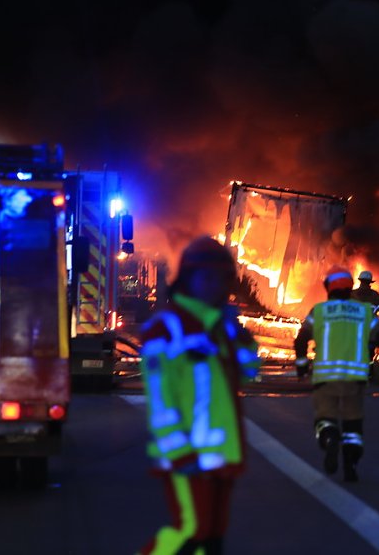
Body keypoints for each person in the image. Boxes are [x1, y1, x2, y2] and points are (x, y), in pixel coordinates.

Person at [138, 236, 260, 555]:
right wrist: (179, 453)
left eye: (221, 279)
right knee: (190, 531)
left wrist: (242, 338)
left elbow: (247, 372)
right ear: (188, 279)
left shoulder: (221, 327)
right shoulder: (167, 328)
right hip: (187, 455)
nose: (214, 286)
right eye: (206, 278)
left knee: (212, 537)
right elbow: (160, 400)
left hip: (221, 456)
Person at [294, 266, 379, 482]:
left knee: (325, 418)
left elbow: (301, 339)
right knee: (353, 426)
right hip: (355, 380)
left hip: (325, 379)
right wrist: (370, 340)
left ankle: (330, 440)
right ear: (350, 287)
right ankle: (351, 465)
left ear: (329, 287)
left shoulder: (319, 311)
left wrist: (301, 366)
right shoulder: (364, 312)